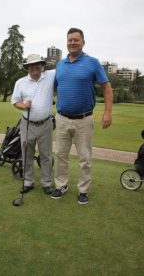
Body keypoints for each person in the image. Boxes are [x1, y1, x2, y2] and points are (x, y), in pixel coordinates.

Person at [51, 27, 113, 204]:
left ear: (83, 42)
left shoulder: (92, 63)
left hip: (84, 120)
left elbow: (107, 87)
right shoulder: (60, 64)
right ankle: (61, 185)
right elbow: (53, 86)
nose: (72, 43)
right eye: (70, 40)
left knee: (84, 158)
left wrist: (107, 112)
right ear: (67, 42)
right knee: (61, 155)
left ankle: (83, 190)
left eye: (76, 40)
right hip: (62, 118)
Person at [11, 54, 55, 194]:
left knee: (46, 155)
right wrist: (23, 106)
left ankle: (46, 183)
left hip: (45, 124)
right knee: (27, 154)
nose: (34, 67)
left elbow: (65, 66)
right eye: (31, 65)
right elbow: (15, 101)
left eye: (37, 64)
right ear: (27, 67)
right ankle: (28, 181)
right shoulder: (20, 82)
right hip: (27, 124)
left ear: (42, 65)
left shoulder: (50, 76)